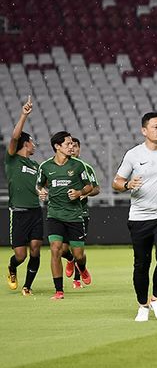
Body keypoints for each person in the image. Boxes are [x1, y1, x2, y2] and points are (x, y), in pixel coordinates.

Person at [113, 112, 157, 322]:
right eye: (155, 127)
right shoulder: (133, 155)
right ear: (144, 130)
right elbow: (116, 182)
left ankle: (156, 298)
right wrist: (127, 185)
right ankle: (142, 305)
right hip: (139, 217)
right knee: (141, 263)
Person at [36, 131, 93, 300]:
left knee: (78, 255)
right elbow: (39, 186)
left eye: (72, 144)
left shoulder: (78, 165)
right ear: (57, 147)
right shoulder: (45, 167)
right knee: (55, 249)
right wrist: (41, 192)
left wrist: (79, 192)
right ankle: (59, 290)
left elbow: (89, 186)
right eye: (68, 144)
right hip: (54, 214)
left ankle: (81, 268)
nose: (72, 147)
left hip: (75, 216)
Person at [5, 96, 42, 295]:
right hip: (18, 213)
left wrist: (41, 191)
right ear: (26, 144)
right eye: (32, 142)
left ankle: (28, 286)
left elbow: (36, 186)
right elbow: (14, 138)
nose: (34, 145)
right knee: (20, 255)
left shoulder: (35, 166)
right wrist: (23, 115)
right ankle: (12, 268)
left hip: (35, 211)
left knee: (35, 247)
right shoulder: (12, 159)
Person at [61, 137, 101, 289]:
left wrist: (85, 193)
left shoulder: (86, 167)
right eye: (71, 145)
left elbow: (96, 189)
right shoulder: (58, 166)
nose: (73, 149)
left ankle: (77, 280)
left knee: (78, 250)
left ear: (79, 149)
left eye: (76, 146)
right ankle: (70, 260)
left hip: (81, 213)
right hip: (62, 213)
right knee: (63, 250)